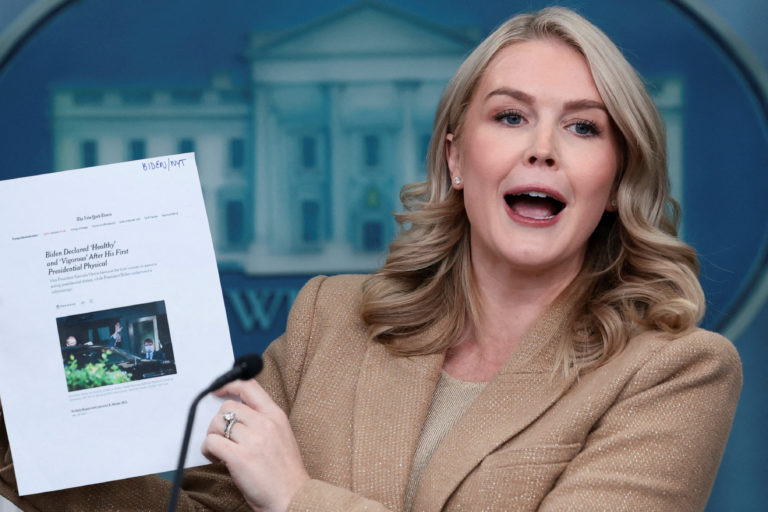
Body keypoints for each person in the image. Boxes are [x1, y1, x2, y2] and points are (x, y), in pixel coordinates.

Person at [0, 7, 741, 512]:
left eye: (583, 127)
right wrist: (17, 418)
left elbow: (283, 495)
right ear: (456, 158)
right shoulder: (330, 319)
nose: (542, 147)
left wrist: (297, 497)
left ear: (615, 180)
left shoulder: (677, 372)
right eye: (511, 116)